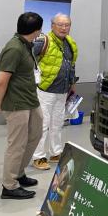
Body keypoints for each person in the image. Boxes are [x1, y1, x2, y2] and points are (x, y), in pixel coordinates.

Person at [0, 12, 44, 199]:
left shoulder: (26, 45)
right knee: (17, 144)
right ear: (36, 30)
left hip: (30, 99)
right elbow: (1, 80)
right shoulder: (14, 48)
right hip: (16, 103)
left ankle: (19, 172)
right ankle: (9, 185)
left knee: (35, 134)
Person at [32, 13, 79, 170]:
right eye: (60, 25)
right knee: (43, 124)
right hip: (45, 90)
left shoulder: (70, 43)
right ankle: (38, 156)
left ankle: (55, 153)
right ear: (52, 26)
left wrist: (72, 84)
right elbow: (27, 58)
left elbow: (71, 64)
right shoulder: (43, 41)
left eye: (67, 25)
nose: (64, 28)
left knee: (57, 124)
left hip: (63, 90)